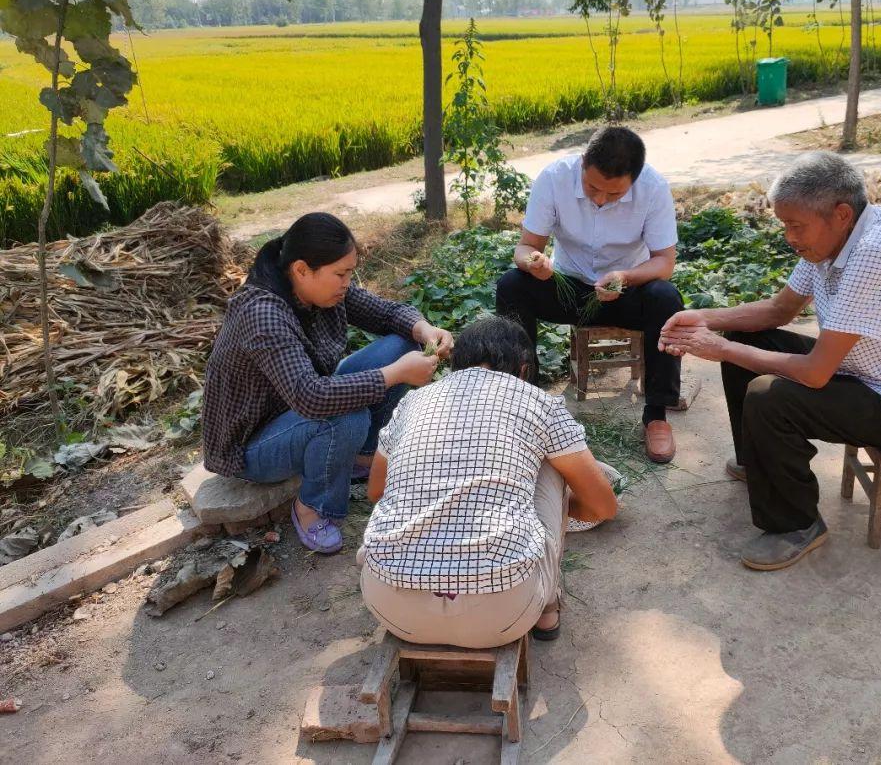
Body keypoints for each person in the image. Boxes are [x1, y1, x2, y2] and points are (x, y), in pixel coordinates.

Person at [660, 152, 881, 571]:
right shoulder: (836, 239)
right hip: (863, 370)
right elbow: (777, 311)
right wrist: (705, 318)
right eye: (784, 224)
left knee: (769, 396)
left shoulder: (878, 253)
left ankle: (796, 525)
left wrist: (719, 349)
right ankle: (760, 462)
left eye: (795, 225)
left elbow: (815, 373)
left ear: (840, 213)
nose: (788, 236)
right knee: (749, 338)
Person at [359, 316, 618, 648]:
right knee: (554, 465)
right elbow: (603, 506)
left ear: (456, 364)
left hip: (392, 609)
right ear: (524, 369)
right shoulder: (540, 403)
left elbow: (376, 492)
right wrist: (564, 510)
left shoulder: (412, 402)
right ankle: (548, 605)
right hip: (504, 616)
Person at [202, 212, 453, 554]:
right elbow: (312, 398)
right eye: (341, 274)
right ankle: (313, 506)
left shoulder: (322, 290)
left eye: (350, 273)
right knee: (346, 416)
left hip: (298, 406)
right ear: (302, 269)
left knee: (402, 342)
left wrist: (423, 329)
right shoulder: (263, 313)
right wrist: (396, 374)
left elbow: (386, 313)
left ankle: (360, 458)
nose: (347, 282)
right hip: (251, 444)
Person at [495, 126, 684, 464]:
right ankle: (523, 400)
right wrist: (534, 262)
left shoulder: (653, 188)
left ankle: (656, 414)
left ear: (634, 179)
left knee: (666, 298)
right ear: (582, 163)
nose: (600, 199)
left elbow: (664, 263)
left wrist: (625, 277)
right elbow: (525, 247)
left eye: (613, 195)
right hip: (569, 289)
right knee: (511, 286)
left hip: (625, 292)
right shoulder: (554, 179)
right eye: (592, 187)